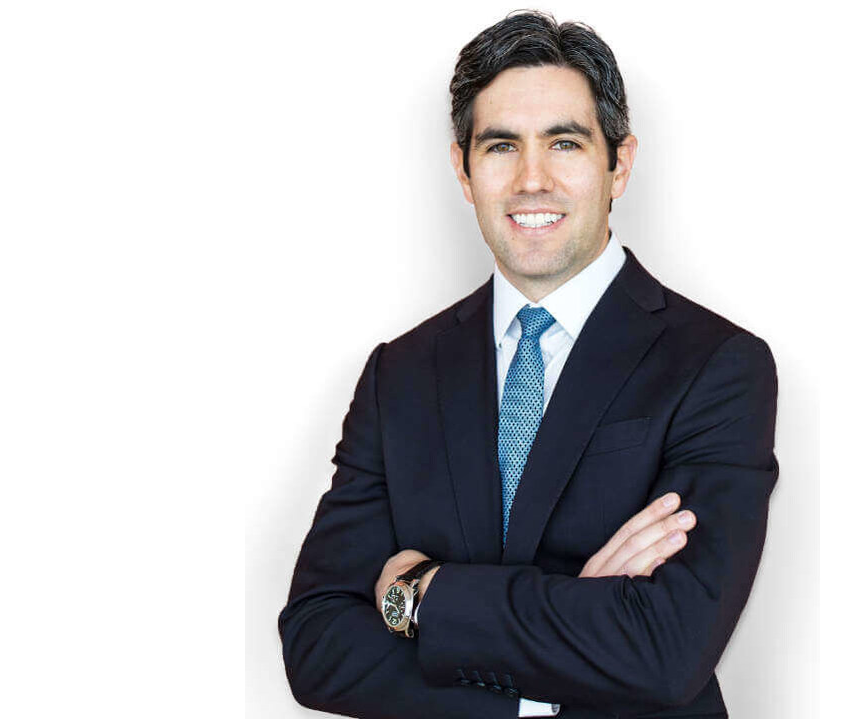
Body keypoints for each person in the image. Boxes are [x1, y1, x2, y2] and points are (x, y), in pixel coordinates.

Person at [279, 10, 778, 718]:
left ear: (619, 164)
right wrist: (544, 681)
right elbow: (317, 642)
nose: (531, 179)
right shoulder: (400, 374)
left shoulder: (717, 365)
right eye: (501, 146)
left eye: (564, 143)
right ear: (464, 170)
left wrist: (422, 593)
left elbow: (666, 650)